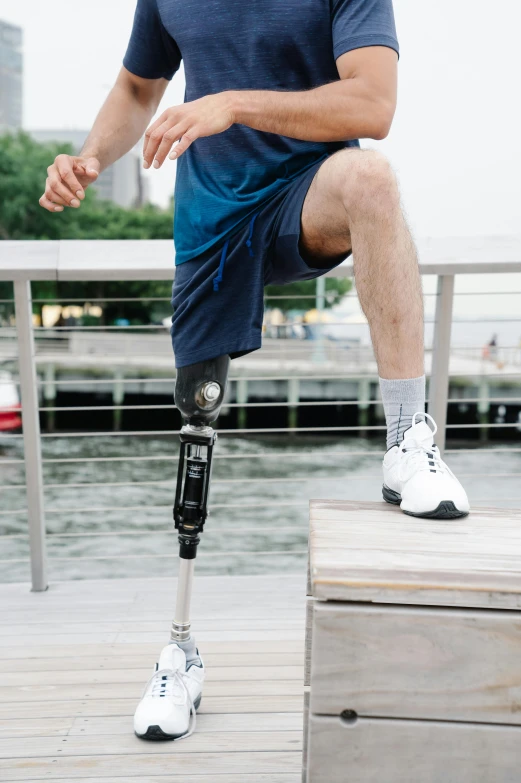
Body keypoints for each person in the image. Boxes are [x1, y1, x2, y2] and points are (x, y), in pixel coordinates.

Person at [39, 0, 470, 742]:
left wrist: (232, 104)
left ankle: (408, 439)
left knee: (372, 177)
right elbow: (140, 89)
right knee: (195, 418)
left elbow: (372, 101)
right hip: (212, 218)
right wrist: (89, 157)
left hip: (308, 190)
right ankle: (179, 652)